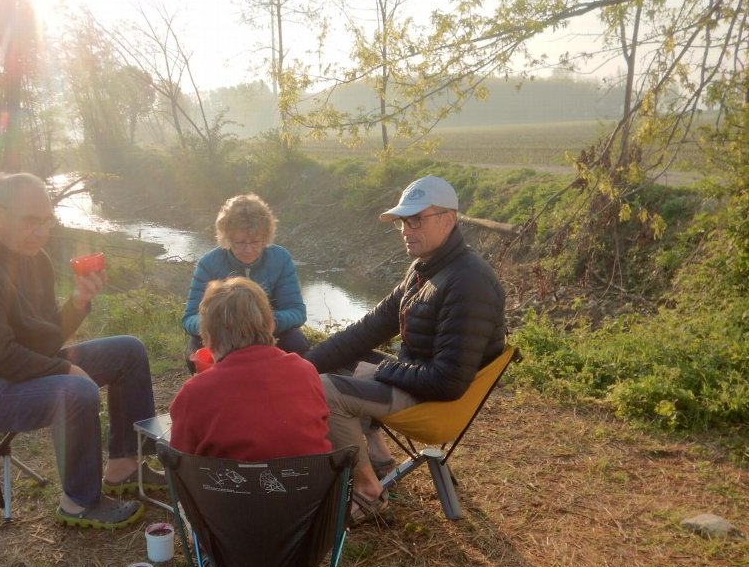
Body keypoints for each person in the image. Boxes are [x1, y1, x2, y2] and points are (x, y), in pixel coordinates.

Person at [0, 172, 163, 530]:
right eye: (30, 221)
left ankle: (123, 467)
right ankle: (78, 503)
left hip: (17, 366)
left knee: (128, 352)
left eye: (46, 221)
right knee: (76, 390)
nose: (41, 232)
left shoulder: (33, 258)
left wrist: (79, 300)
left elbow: (44, 340)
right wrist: (67, 370)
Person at [304, 175, 507, 524]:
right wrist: (298, 367)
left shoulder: (469, 282)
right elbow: (368, 328)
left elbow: (448, 382)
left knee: (325, 391)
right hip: (416, 377)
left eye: (416, 220)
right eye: (402, 221)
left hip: (438, 403)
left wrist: (382, 370)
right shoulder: (425, 269)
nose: (405, 230)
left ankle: (368, 491)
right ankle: (379, 456)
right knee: (334, 364)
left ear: (448, 219)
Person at [170, 277, 329, 459]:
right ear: (270, 325)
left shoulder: (194, 392)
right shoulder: (306, 371)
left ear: (207, 337)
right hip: (310, 484)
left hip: (229, 487)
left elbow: (179, 461)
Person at [181, 193, 309, 370]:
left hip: (268, 333)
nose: (248, 250)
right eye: (240, 242)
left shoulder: (280, 259)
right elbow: (189, 318)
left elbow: (296, 311)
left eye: (256, 242)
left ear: (266, 237)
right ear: (226, 238)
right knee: (194, 350)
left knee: (297, 343)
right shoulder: (209, 264)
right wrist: (218, 326)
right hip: (223, 336)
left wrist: (269, 322)